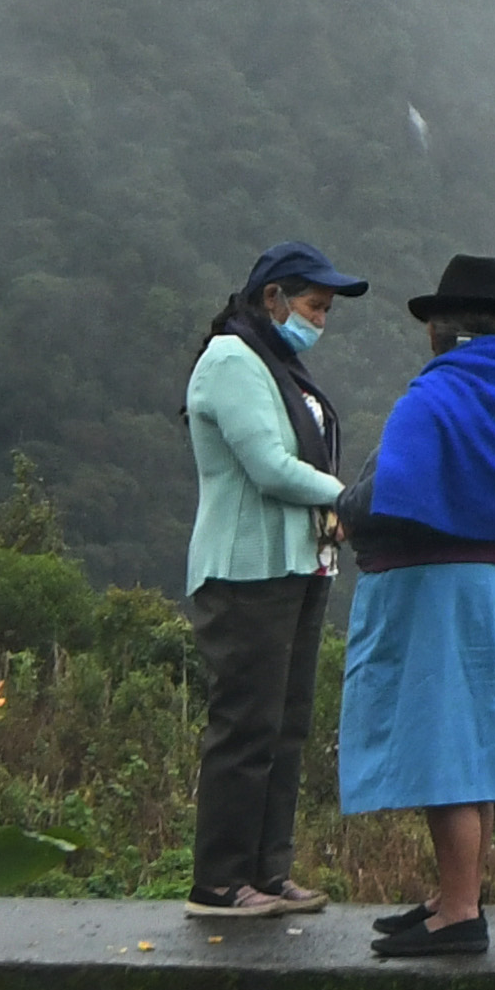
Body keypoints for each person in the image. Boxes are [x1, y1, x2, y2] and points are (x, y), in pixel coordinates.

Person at [341, 252, 495, 960]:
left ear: (444, 330)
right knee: (478, 745)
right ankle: (457, 897)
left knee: (444, 749)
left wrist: (339, 509)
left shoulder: (435, 399)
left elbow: (386, 495)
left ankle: (457, 915)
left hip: (437, 594)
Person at [177, 239, 364, 922]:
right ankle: (220, 882)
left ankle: (267, 870)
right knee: (245, 725)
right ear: (272, 298)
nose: (320, 320)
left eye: (326, 310)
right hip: (246, 572)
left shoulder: (277, 364)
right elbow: (268, 465)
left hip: (297, 567)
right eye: (315, 305)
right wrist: (344, 498)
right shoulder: (231, 358)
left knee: (286, 724)